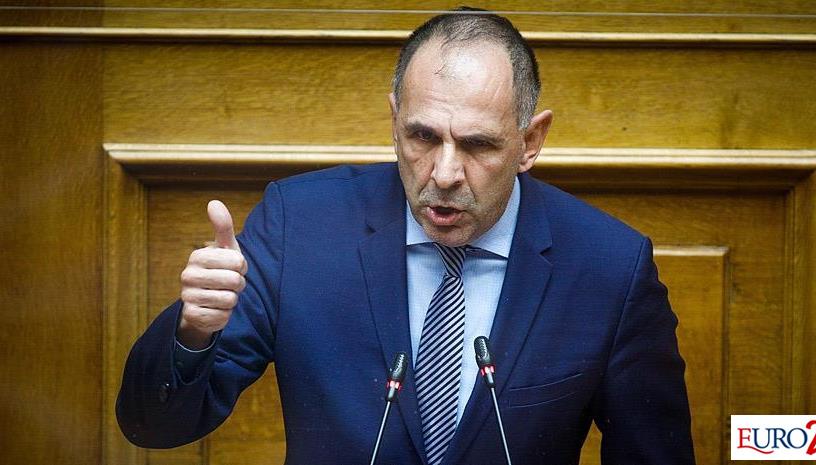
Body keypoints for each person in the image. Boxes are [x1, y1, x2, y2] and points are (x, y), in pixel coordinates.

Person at [117, 7, 695, 465]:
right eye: (422, 137)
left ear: (530, 141)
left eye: (478, 144)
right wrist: (195, 331)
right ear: (395, 120)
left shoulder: (610, 268)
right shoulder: (300, 227)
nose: (444, 174)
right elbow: (154, 426)